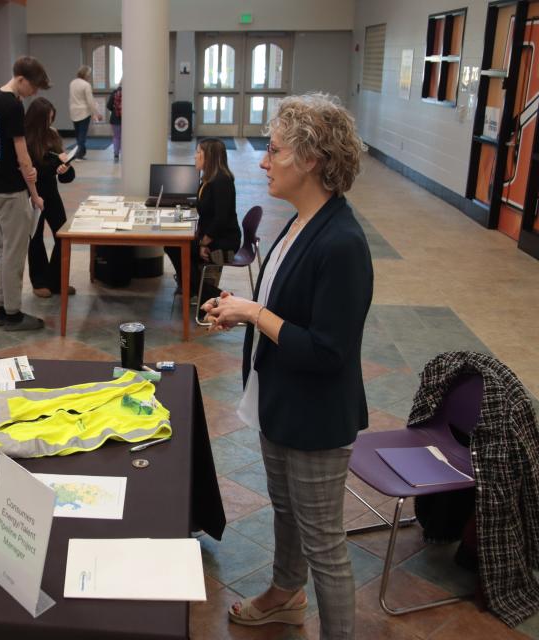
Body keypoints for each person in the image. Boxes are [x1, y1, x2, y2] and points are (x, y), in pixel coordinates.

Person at [203, 93, 372, 639]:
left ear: (312, 160)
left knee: (324, 542)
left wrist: (255, 312)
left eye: (274, 150)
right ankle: (284, 595)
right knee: (285, 511)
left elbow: (329, 351)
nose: (263, 160)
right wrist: (241, 315)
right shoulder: (302, 220)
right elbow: (284, 306)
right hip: (282, 399)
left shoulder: (342, 242)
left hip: (317, 415)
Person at [0, 56, 51, 331]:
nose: (34, 92)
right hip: (12, 189)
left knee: (4, 248)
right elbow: (22, 154)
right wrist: (34, 192)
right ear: (21, 79)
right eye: (33, 87)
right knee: (14, 252)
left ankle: (1, 306)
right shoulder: (12, 104)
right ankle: (12, 313)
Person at [165, 138, 241, 312]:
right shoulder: (207, 179)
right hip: (212, 236)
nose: (195, 156)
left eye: (199, 152)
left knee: (176, 246)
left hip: (224, 242)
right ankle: (193, 287)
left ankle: (218, 297)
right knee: (172, 244)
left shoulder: (222, 181)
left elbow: (220, 219)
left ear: (210, 157)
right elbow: (207, 216)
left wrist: (203, 243)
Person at [24, 97, 76, 298]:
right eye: (46, 120)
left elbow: (66, 177)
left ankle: (56, 280)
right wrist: (53, 166)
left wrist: (64, 168)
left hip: (51, 193)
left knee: (62, 235)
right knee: (35, 238)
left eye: (52, 119)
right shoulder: (25, 139)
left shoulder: (53, 135)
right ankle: (39, 281)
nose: (49, 125)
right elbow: (30, 171)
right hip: (32, 194)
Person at [68, 65, 102, 160]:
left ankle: (81, 152)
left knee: (78, 134)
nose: (90, 76)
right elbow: (90, 102)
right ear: (86, 74)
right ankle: (78, 154)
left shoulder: (72, 83)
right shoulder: (86, 85)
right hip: (83, 112)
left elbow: (71, 98)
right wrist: (96, 113)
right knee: (82, 135)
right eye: (89, 74)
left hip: (73, 111)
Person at [106, 84, 122, 160]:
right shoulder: (130, 93)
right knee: (126, 137)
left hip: (115, 119)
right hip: (128, 119)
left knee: (116, 137)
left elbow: (108, 106)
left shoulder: (114, 93)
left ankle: (116, 154)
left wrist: (115, 110)